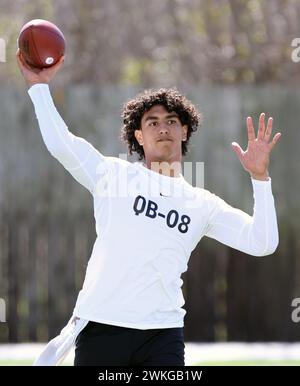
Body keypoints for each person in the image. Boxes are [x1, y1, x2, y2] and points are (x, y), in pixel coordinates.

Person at [16, 49, 281, 366]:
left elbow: (263, 242)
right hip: (102, 327)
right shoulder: (112, 175)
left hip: (162, 334)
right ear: (138, 135)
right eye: (152, 122)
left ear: (184, 131)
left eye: (172, 121)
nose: (163, 128)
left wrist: (260, 178)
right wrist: (39, 86)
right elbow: (61, 143)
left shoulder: (201, 204)